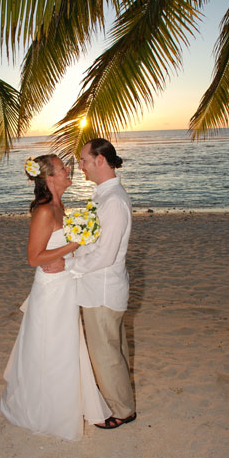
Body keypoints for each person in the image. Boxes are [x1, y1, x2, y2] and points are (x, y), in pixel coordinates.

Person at [0, 154, 111, 441]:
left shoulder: (61, 206)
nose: (69, 171)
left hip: (65, 286)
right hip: (50, 290)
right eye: (63, 168)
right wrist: (73, 244)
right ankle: (45, 410)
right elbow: (34, 257)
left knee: (66, 345)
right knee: (51, 347)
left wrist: (77, 249)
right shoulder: (45, 212)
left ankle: (66, 402)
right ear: (49, 178)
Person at [43, 139, 136, 429]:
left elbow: (106, 254)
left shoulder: (114, 201)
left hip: (103, 289)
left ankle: (123, 410)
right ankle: (120, 402)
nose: (79, 166)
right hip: (97, 287)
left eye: (83, 159)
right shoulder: (103, 196)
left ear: (100, 160)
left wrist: (67, 266)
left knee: (106, 355)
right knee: (111, 349)